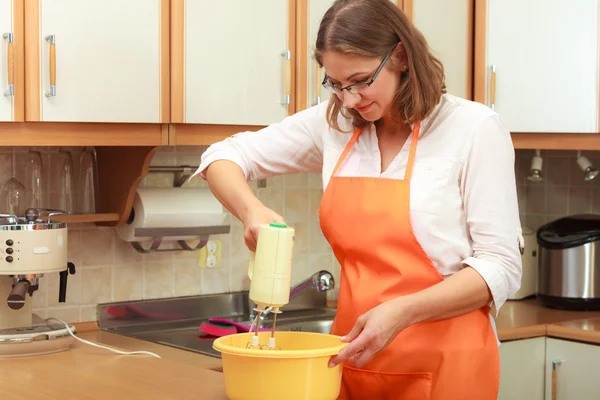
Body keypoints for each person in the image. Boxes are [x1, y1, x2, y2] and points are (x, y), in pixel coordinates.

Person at [193, 0, 522, 398]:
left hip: (448, 368)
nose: (348, 99)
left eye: (361, 80)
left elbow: (499, 267)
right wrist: (252, 211)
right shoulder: (334, 125)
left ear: (400, 56)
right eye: (335, 83)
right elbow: (222, 156)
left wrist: (401, 312)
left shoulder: (472, 130)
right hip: (354, 361)